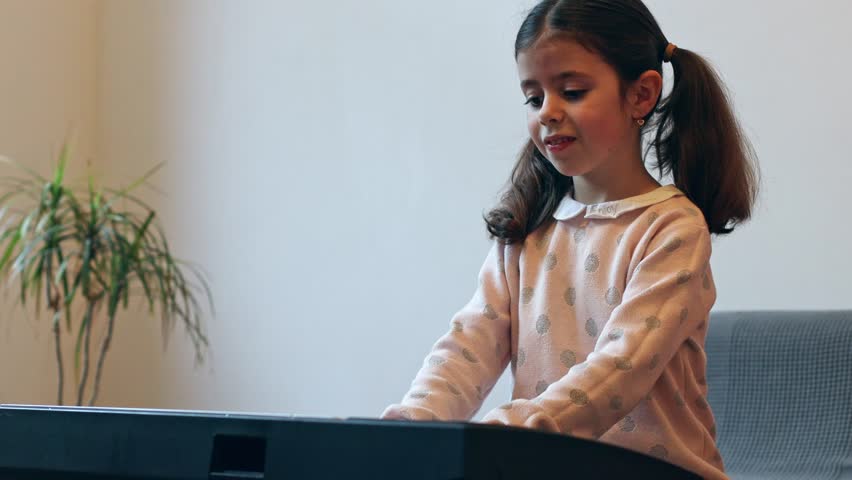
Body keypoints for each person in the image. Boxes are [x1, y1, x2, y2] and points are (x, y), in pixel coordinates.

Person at [382, 1, 759, 478]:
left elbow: (621, 369)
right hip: (546, 464)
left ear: (641, 95)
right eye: (533, 98)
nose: (548, 113)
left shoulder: (671, 230)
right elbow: (468, 347)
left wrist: (503, 435)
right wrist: (416, 425)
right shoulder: (527, 230)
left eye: (573, 91)